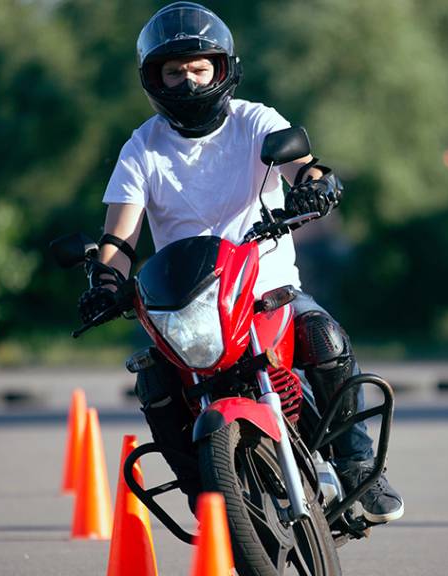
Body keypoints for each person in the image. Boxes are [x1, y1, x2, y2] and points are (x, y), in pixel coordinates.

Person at [77, 1, 403, 524]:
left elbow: (303, 166)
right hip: (184, 307)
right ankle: (203, 497)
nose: (188, 82)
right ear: (154, 78)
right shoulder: (141, 148)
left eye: (199, 68)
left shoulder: (256, 121)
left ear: (222, 70)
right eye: (174, 71)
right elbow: (119, 234)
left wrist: (316, 185)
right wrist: (107, 279)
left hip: (265, 289)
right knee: (154, 383)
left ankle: (361, 468)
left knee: (323, 335)